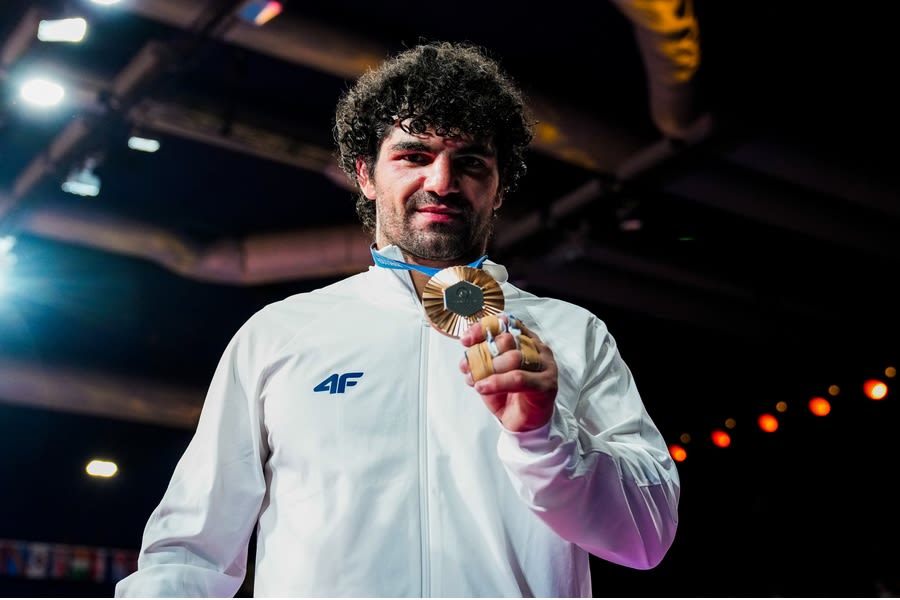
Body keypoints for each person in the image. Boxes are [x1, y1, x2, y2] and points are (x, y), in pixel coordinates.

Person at [115, 40, 680, 598]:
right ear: (366, 175)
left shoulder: (571, 334)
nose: (441, 182)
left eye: (470, 162)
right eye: (414, 156)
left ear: (499, 189)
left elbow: (645, 539)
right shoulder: (279, 333)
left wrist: (543, 437)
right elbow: (189, 553)